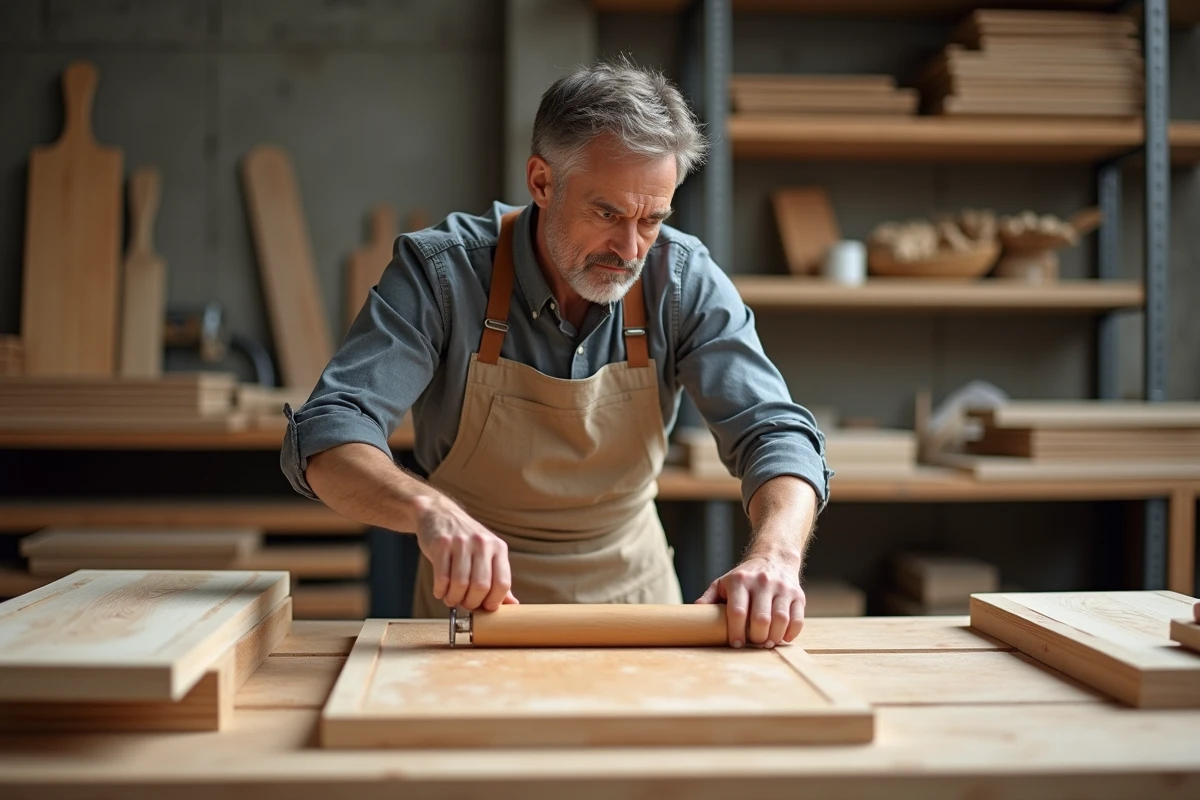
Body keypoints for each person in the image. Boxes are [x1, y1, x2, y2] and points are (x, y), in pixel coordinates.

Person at [280, 58, 830, 649]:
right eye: (607, 213)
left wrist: (775, 554)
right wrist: (429, 512)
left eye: (652, 219)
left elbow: (776, 432)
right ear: (542, 182)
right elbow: (328, 433)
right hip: (475, 610)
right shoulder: (443, 273)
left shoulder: (681, 277)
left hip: (635, 604)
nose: (630, 249)